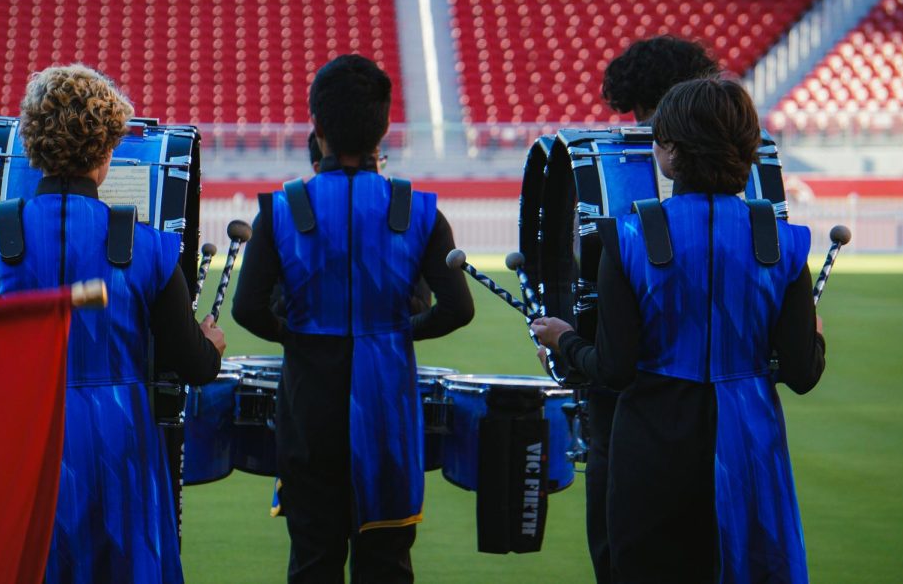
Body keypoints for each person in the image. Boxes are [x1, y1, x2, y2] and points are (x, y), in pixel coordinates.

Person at [0, 64, 226, 583]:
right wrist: (210, 343)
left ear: (32, 147)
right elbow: (193, 367)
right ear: (107, 150)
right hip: (121, 446)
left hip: (19, 444)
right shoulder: (151, 248)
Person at [532, 78, 826, 583]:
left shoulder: (624, 238)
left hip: (651, 444)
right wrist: (815, 334)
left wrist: (564, 339)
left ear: (668, 152)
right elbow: (801, 373)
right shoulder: (782, 242)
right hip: (750, 444)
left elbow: (614, 369)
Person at [232, 54, 474, 583]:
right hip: (387, 404)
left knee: (314, 560)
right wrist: (397, 332)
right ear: (384, 128)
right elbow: (458, 309)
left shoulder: (279, 210)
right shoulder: (419, 209)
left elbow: (246, 308)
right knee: (387, 563)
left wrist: (297, 337)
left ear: (315, 126)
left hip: (308, 408)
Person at [571, 35, 722, 583]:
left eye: (648, 122)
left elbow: (609, 347)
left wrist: (567, 340)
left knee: (624, 559)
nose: (645, 140)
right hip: (729, 410)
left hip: (632, 410)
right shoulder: (749, 205)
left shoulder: (628, 230)